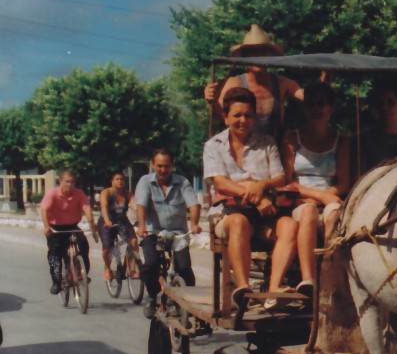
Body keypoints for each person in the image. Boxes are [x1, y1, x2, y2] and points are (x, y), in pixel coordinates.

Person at [204, 86, 297, 313]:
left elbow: (278, 177)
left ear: (254, 118)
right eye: (237, 115)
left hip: (264, 214)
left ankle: (274, 289)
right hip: (228, 214)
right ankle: (244, 287)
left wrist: (261, 186)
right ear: (226, 118)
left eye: (248, 115)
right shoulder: (213, 145)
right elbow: (221, 183)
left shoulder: (266, 143)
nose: (243, 120)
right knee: (238, 223)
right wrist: (254, 197)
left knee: (290, 225)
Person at [270, 82, 350, 309]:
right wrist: (316, 196)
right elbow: (287, 180)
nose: (317, 109)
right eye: (311, 104)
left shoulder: (341, 141)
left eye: (322, 104)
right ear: (304, 109)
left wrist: (326, 197)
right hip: (299, 200)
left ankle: (333, 275)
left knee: (335, 214)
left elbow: (343, 183)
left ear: (330, 108)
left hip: (330, 199)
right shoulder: (292, 139)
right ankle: (309, 278)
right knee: (309, 212)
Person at [204, 24, 303, 144]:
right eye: (253, 52)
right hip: (243, 156)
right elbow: (219, 115)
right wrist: (211, 100)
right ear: (245, 56)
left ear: (270, 55)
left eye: (262, 52)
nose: (258, 57)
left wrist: (326, 76)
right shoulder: (233, 84)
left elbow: (311, 98)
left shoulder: (283, 84)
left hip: (275, 155)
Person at [134, 150, 202, 319]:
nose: (163, 170)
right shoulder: (145, 182)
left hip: (178, 232)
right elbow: (141, 205)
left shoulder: (182, 182)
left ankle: (190, 303)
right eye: (159, 166)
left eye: (167, 166)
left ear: (172, 166)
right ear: (152, 165)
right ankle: (152, 296)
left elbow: (193, 205)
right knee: (150, 264)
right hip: (152, 231)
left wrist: (194, 223)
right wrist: (141, 226)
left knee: (185, 268)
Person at [39, 169, 99, 295]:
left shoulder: (79, 193)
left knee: (83, 244)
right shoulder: (53, 194)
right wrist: (46, 227)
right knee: (55, 253)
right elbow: (44, 210)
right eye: (66, 182)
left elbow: (87, 209)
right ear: (60, 181)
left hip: (72, 226)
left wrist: (92, 226)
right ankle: (56, 281)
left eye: (72, 182)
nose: (69, 185)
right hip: (55, 228)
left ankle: (82, 273)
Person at [97, 170, 137, 282]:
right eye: (117, 179)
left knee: (133, 241)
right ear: (112, 181)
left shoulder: (127, 194)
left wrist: (141, 217)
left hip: (122, 221)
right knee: (107, 248)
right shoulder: (107, 192)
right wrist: (107, 220)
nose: (120, 182)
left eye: (122, 180)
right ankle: (107, 268)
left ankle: (132, 269)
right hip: (107, 221)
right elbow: (104, 207)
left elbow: (134, 206)